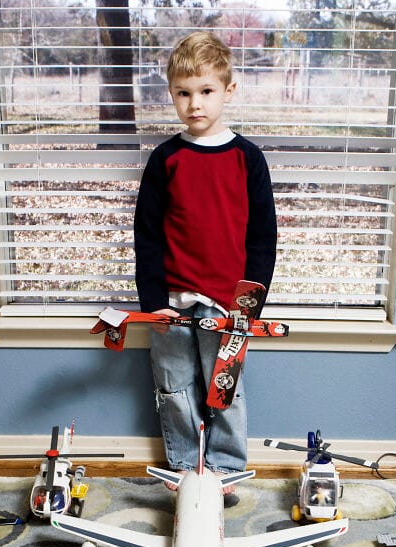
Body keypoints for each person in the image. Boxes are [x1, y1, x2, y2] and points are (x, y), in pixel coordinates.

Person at [134, 31, 277, 483]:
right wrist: (152, 299)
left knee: (225, 391)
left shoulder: (248, 158)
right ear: (172, 94)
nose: (195, 103)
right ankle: (185, 467)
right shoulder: (165, 158)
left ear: (228, 91)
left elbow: (263, 238)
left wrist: (248, 304)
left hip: (228, 305)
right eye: (183, 93)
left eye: (206, 91)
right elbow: (147, 235)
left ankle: (225, 469)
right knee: (174, 387)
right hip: (172, 302)